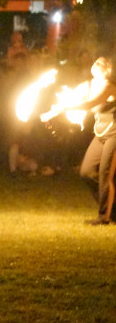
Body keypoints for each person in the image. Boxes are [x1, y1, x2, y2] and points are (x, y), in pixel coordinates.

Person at [45, 56, 116, 224]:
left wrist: (65, 108)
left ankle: (104, 216)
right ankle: (112, 209)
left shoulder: (109, 86)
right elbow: (72, 99)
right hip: (100, 134)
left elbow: (90, 104)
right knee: (86, 172)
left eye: (102, 63)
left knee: (105, 174)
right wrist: (52, 112)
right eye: (96, 61)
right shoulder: (88, 85)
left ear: (108, 70)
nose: (97, 64)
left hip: (114, 134)